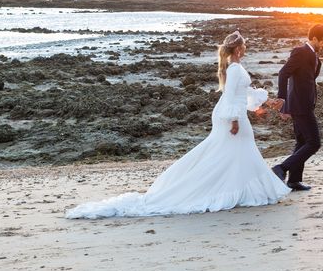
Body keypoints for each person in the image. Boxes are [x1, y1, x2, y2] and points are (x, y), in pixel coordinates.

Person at [66, 31, 290, 219]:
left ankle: (245, 191)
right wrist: (233, 120)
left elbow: (243, 93)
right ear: (238, 49)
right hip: (230, 116)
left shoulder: (235, 68)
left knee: (234, 154)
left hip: (235, 113)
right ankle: (234, 191)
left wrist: (263, 103)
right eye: (244, 46)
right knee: (227, 154)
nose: (246, 48)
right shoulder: (233, 69)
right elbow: (230, 95)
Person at [272, 24, 323, 191]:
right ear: (314, 38)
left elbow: (309, 81)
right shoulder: (300, 52)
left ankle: (294, 180)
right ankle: (281, 168)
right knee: (314, 143)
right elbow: (284, 73)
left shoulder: (314, 57)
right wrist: (282, 99)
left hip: (304, 105)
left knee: (302, 142)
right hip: (300, 106)